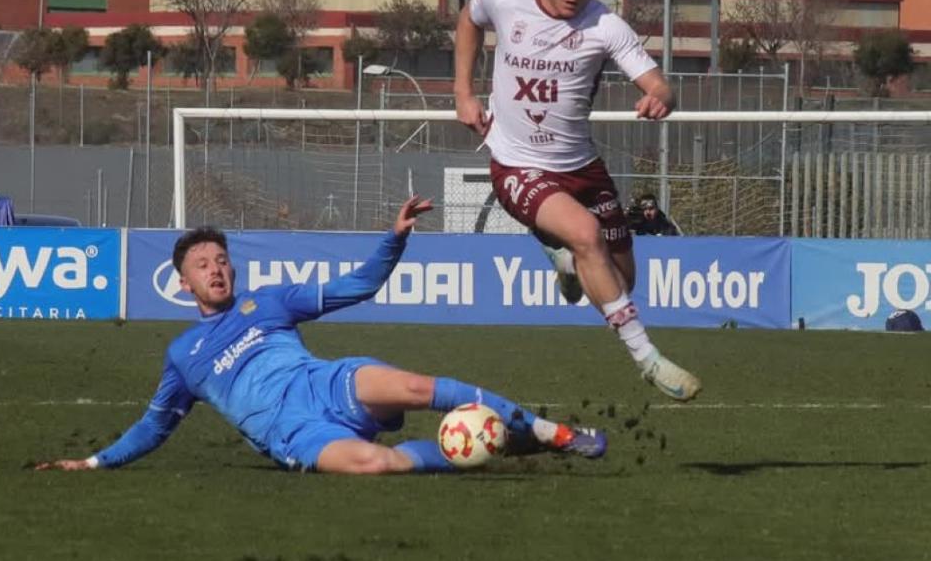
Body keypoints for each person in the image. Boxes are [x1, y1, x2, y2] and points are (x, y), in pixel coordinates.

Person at [36, 197, 607, 475]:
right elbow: (155, 425)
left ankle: (550, 431)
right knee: (374, 467)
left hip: (326, 385)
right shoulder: (184, 356)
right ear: (184, 283)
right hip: (294, 431)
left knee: (414, 386)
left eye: (222, 260)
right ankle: (490, 445)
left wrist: (395, 238)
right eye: (202, 265)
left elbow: (357, 285)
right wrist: (94, 463)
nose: (216, 269)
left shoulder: (270, 302)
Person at [453, 0, 701, 402]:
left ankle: (564, 259)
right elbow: (469, 18)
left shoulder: (604, 25)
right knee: (586, 234)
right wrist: (463, 92)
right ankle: (648, 359)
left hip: (582, 168)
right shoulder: (505, 0)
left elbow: (660, 83)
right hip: (516, 164)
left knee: (620, 281)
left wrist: (660, 97)